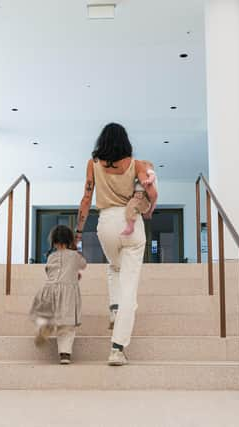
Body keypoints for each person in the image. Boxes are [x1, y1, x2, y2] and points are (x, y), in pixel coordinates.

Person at [75, 123, 158, 366]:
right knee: (129, 288)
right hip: (131, 222)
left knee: (113, 265)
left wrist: (78, 233)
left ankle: (114, 307)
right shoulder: (136, 164)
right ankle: (117, 349)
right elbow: (150, 192)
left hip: (106, 222)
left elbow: (86, 198)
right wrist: (151, 208)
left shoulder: (93, 163)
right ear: (125, 141)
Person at [29, 225, 86, 365]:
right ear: (70, 241)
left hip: (48, 290)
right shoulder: (75, 256)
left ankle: (44, 327)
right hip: (67, 294)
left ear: (54, 242)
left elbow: (50, 272)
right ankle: (65, 354)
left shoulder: (51, 256)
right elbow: (83, 265)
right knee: (66, 326)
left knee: (46, 314)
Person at [121, 161, 158, 236]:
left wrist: (149, 181)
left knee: (130, 207)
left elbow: (152, 176)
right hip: (139, 197)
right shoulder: (139, 178)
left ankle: (130, 226)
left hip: (143, 197)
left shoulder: (149, 172)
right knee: (131, 207)